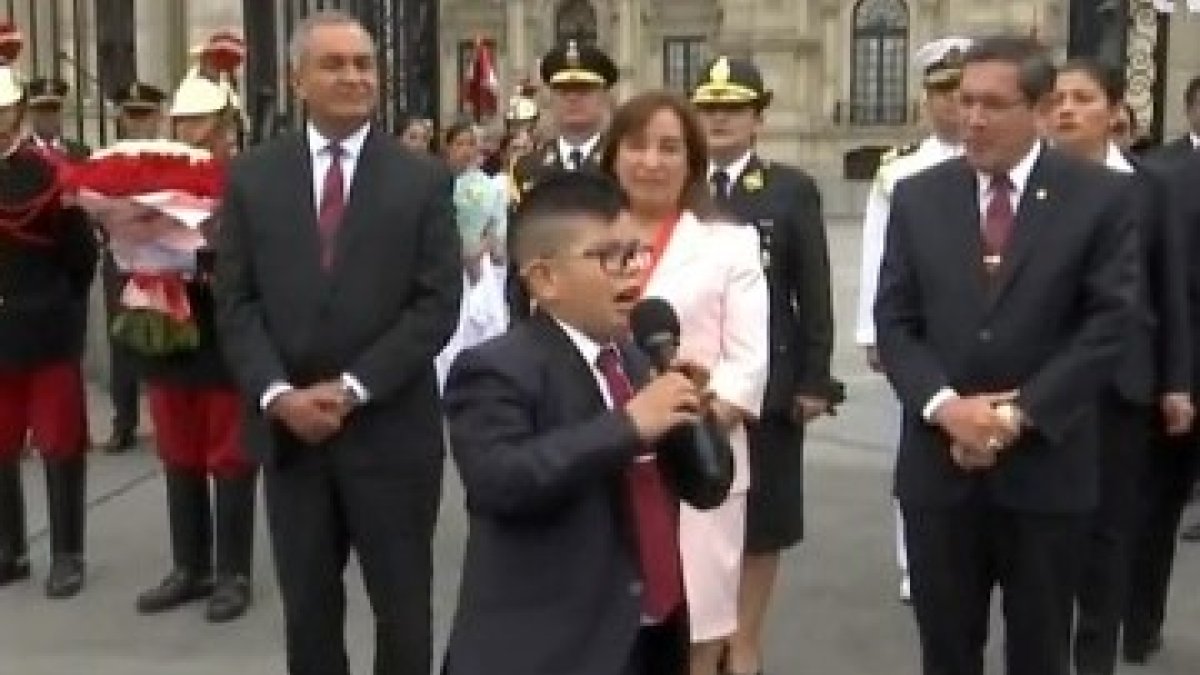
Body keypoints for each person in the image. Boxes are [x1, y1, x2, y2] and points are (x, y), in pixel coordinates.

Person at [874, 36, 1137, 675]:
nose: (973, 119)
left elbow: (1109, 325)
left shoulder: (1100, 197)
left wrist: (1013, 418)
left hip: (1045, 471)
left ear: (1041, 110)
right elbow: (895, 322)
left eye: (993, 105)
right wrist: (947, 409)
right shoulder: (917, 196)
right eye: (965, 102)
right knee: (946, 652)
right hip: (939, 472)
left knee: (1040, 653)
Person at [213, 10, 461, 675]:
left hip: (391, 436)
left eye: (364, 64)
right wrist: (277, 395)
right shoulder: (252, 178)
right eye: (334, 64)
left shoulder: (422, 179)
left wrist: (352, 389)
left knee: (403, 615)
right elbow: (235, 303)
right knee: (310, 616)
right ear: (297, 80)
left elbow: (436, 304)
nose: (354, 77)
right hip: (292, 441)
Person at [443, 171, 695, 675]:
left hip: (650, 631)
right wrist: (628, 426)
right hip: (551, 649)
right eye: (609, 258)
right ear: (545, 279)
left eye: (636, 254)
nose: (631, 273)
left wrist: (691, 420)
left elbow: (705, 487)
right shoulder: (496, 368)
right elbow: (500, 479)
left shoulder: (635, 358)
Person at [602, 90, 769, 675]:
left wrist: (692, 409)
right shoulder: (581, 240)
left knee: (700, 629)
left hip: (697, 461)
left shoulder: (729, 244)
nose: (651, 161)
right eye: (637, 145)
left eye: (669, 148)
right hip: (603, 458)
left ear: (692, 161)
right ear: (613, 155)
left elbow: (748, 363)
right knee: (608, 628)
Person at [690, 55, 837, 675]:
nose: (720, 119)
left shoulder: (788, 188)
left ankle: (744, 640)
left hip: (769, 385)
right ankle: (701, 636)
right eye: (710, 107)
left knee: (762, 522)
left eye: (734, 108)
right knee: (698, 516)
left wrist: (814, 378)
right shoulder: (681, 186)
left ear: (758, 118)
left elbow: (813, 289)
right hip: (695, 379)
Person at [1047, 57, 1192, 675]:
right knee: (1047, 538)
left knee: (1112, 537)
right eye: (1057, 99)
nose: (1067, 110)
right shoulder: (1030, 183)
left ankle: (1096, 658)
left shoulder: (1151, 187)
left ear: (1113, 111)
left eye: (1082, 98)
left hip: (1124, 387)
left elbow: (1169, 287)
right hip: (1046, 386)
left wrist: (1177, 381)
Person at [113, 37, 257, 623]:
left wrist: (206, 258)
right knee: (178, 448)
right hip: (168, 323)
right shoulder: (157, 177)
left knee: (229, 453)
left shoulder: (247, 180)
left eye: (200, 121)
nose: (189, 131)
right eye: (183, 121)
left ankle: (233, 572)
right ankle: (189, 567)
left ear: (225, 125)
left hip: (223, 332)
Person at [855, 36, 970, 603]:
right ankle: (915, 559)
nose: (953, 105)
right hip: (920, 329)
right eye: (942, 93)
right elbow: (876, 252)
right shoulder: (899, 172)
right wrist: (871, 331)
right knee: (917, 446)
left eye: (961, 92)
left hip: (982, 326)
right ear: (926, 99)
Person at [0, 23, 97, 598]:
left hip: (45, 328)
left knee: (60, 443)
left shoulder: (46, 173)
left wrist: (62, 307)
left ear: (14, 114)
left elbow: (80, 255)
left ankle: (67, 553)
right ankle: (9, 549)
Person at [1123, 151, 1200, 665]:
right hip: (1183, 366)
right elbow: (1169, 286)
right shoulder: (1167, 176)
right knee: (1153, 509)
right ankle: (1137, 623)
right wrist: (1175, 377)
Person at [97, 81, 168, 454]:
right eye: (132, 115)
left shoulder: (174, 159)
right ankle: (124, 422)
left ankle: (165, 422)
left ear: (158, 118)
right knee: (122, 340)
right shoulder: (106, 160)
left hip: (163, 259)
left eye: (145, 115)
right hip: (122, 260)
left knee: (165, 337)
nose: (139, 123)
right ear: (122, 119)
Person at [434, 121, 509, 389]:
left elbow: (498, 232)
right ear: (447, 147)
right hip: (446, 265)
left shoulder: (489, 186)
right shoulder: (434, 181)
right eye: (460, 144)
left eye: (471, 144)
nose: (466, 150)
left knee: (483, 332)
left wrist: (484, 247)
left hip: (480, 266)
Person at [511, 39, 617, 194]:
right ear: (551, 98)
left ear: (604, 97)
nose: (572, 97)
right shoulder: (526, 168)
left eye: (583, 88)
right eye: (563, 89)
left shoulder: (620, 163)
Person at [25, 76, 90, 160]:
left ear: (62, 112)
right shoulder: (18, 154)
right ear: (30, 113)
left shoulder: (81, 153)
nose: (48, 116)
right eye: (41, 109)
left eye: (54, 109)